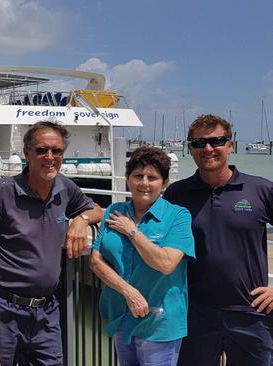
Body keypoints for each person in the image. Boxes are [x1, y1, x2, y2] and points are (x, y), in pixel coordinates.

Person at [0, 121, 103, 365]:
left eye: (57, 151)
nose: (50, 157)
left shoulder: (64, 187)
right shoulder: (4, 191)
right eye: (42, 150)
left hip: (48, 313)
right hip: (4, 311)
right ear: (26, 153)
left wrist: (81, 220)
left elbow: (97, 209)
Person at [163, 114, 273, 366]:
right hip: (194, 313)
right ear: (190, 148)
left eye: (217, 141)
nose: (208, 149)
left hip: (252, 313)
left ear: (231, 145)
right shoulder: (176, 194)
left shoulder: (260, 190)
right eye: (199, 143)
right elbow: (150, 231)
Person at [90, 146, 195, 366]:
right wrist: (128, 292)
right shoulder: (114, 211)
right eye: (138, 176)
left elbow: (166, 264)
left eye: (152, 177)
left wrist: (132, 231)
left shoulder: (178, 215)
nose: (144, 183)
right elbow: (96, 262)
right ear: (128, 179)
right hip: (121, 315)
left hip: (159, 321)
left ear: (164, 183)